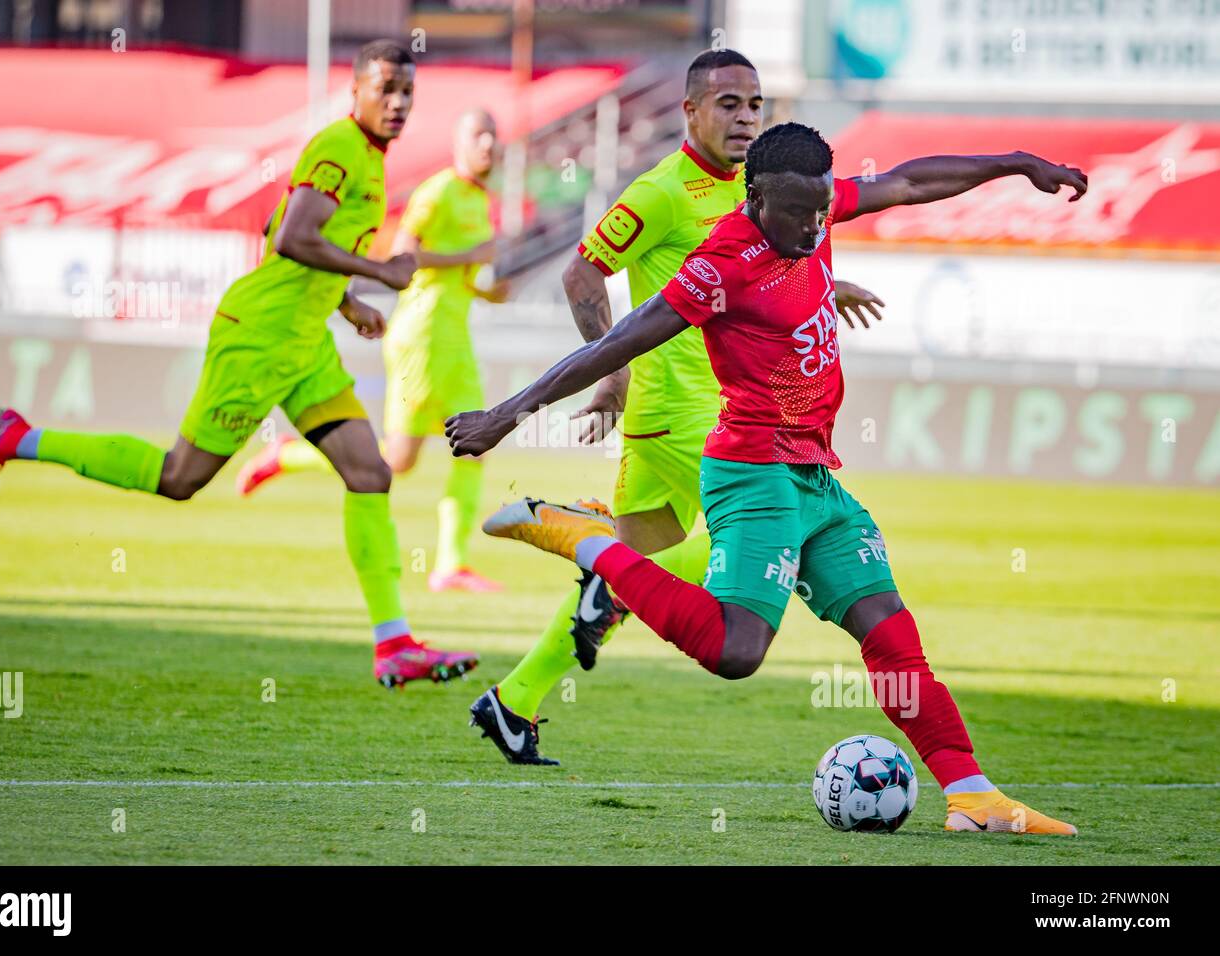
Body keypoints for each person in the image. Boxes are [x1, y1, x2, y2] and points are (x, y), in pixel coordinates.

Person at [447, 121, 1088, 835]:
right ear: (755, 198)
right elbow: (619, 339)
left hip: (815, 474)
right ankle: (590, 540)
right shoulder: (721, 261)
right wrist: (509, 413)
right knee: (735, 652)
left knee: (893, 638)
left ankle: (972, 797)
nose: (815, 226)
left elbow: (908, 182)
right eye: (799, 214)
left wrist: (1014, 161)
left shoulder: (811, 204)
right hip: (750, 470)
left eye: (823, 210)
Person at [0, 40, 479, 690]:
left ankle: (393, 643)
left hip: (304, 344)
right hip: (259, 338)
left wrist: (345, 303)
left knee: (370, 472)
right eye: (386, 89)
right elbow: (291, 238)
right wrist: (378, 273)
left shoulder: (365, 156)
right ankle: (19, 438)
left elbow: (283, 234)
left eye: (407, 92)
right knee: (179, 478)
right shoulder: (340, 146)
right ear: (357, 91)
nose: (397, 103)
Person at [466, 49, 884, 765]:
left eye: (755, 104)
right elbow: (580, 273)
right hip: (699, 419)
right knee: (735, 556)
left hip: (675, 421)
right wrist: (614, 374)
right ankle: (579, 538)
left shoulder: (755, 187)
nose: (746, 117)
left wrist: (822, 284)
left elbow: (761, 263)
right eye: (728, 104)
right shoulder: (661, 192)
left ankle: (512, 701)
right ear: (689, 112)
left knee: (637, 573)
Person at [237, 110, 510, 594]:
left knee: (476, 446)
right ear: (458, 142)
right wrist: (468, 258)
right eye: (478, 134)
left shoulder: (484, 201)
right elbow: (403, 254)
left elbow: (460, 275)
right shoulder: (439, 190)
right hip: (422, 336)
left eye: (495, 135)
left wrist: (488, 292)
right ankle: (287, 454)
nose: (489, 144)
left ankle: (451, 565)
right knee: (397, 462)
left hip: (457, 339)